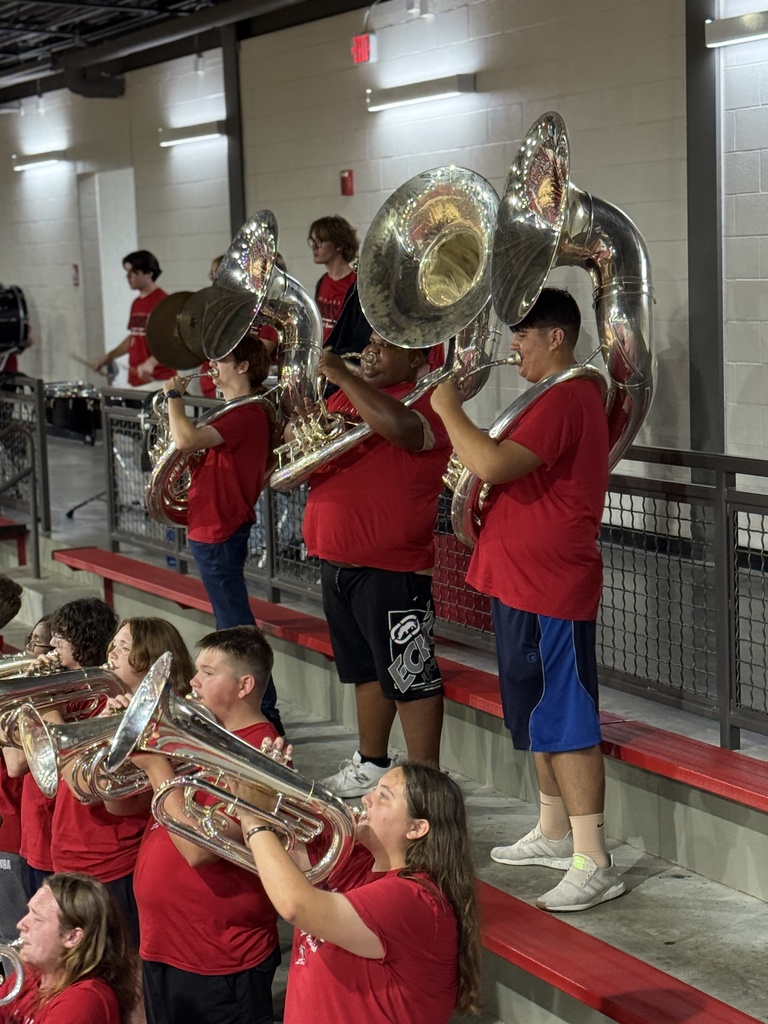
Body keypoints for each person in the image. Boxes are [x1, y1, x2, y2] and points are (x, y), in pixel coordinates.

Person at [430, 286, 625, 913]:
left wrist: (446, 406)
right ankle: (551, 827)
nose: (513, 346)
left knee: (567, 718)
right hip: (520, 580)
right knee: (538, 708)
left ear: (556, 338)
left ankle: (593, 857)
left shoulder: (570, 395)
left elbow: (488, 461)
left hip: (551, 585)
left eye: (522, 335)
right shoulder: (551, 395)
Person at [301, 316, 451, 797]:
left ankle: (426, 782)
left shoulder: (428, 396)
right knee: (364, 671)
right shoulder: (350, 397)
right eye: (369, 342)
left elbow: (405, 431)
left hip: (391, 568)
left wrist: (342, 375)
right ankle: (371, 763)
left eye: (384, 346)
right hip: (337, 561)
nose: (368, 351)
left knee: (410, 675)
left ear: (415, 356)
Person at [241, 758, 481, 1024]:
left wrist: (254, 819)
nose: (366, 799)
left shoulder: (414, 900)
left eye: (383, 797)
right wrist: (269, 785)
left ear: (416, 828)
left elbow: (295, 905)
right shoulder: (356, 858)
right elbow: (278, 860)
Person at [128, 626, 281, 1024]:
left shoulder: (260, 754)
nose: (193, 680)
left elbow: (199, 850)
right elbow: (116, 806)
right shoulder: (201, 736)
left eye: (208, 672)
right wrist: (126, 750)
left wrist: (158, 768)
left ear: (245, 685)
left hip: (219, 958)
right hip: (165, 943)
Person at [162, 332, 283, 733]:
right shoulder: (237, 410)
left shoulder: (246, 413)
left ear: (244, 366)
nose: (212, 368)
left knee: (235, 630)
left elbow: (185, 439)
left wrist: (173, 398)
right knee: (229, 625)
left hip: (219, 529)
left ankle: (263, 717)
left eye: (221, 361)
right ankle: (247, 713)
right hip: (210, 527)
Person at [0, 872, 139, 1023]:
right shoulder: (31, 972)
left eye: (37, 919)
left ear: (72, 937)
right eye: (29, 912)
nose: (21, 924)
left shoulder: (82, 1002)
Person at [91, 251, 174, 388]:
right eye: (127, 272)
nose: (128, 276)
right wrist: (108, 357)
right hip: (137, 379)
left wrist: (151, 362)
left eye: (134, 272)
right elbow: (134, 337)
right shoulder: (136, 303)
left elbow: (173, 342)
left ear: (149, 274)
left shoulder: (163, 302)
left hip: (159, 379)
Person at [307, 216, 358, 343]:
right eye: (312, 241)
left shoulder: (355, 284)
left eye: (319, 241)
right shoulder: (323, 281)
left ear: (339, 245)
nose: (314, 247)